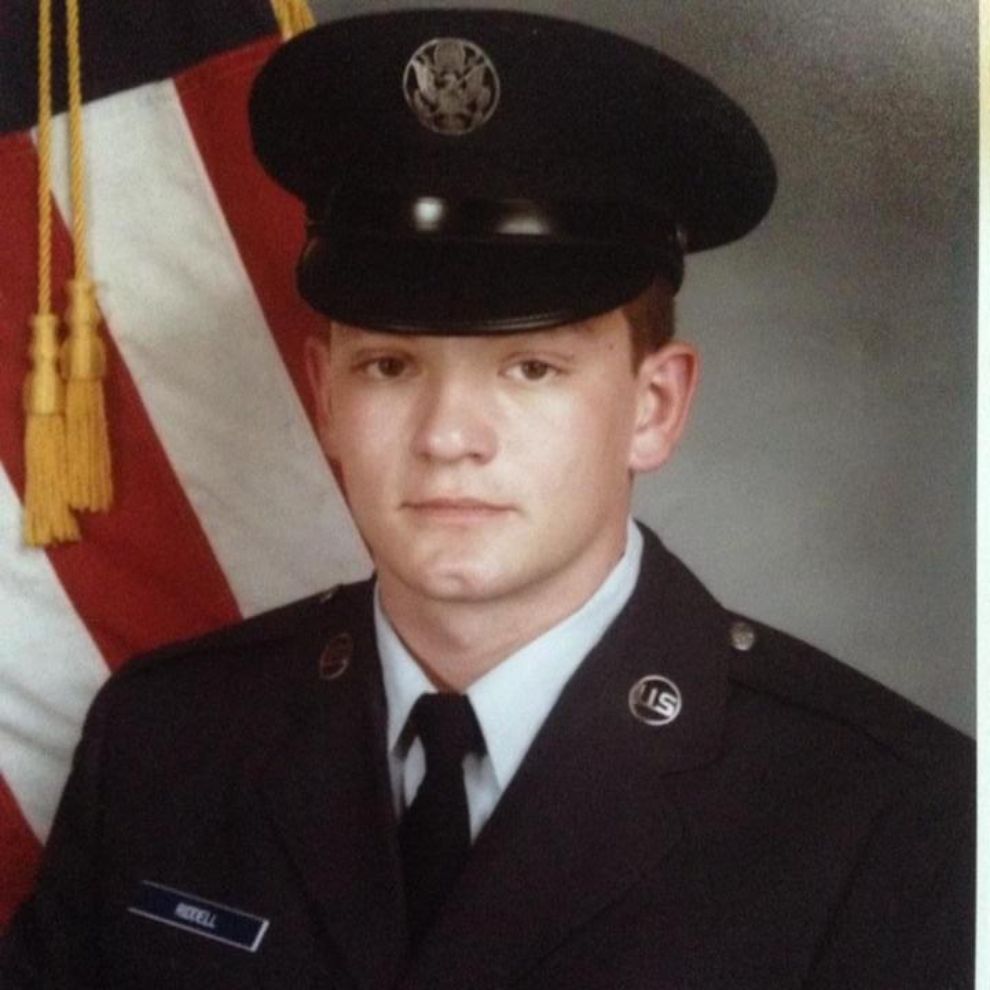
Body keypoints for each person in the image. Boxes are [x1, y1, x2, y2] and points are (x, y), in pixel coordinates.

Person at [0, 9, 974, 989]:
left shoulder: (885, 817)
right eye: (389, 365)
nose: (447, 435)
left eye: (532, 369)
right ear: (324, 396)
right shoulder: (166, 743)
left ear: (655, 406)